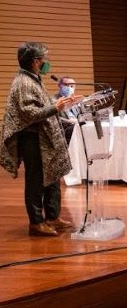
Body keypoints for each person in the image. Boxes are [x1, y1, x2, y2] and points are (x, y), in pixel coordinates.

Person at [1, 42, 80, 237]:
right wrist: (55, 107)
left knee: (52, 176)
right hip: (32, 139)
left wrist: (58, 102)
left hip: (44, 137)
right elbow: (29, 112)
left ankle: (53, 216)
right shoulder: (23, 82)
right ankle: (36, 222)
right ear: (36, 62)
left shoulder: (33, 78)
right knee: (36, 180)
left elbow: (40, 104)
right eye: (43, 59)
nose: (46, 62)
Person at [55, 76, 79, 145]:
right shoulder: (53, 100)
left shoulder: (77, 101)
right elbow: (55, 119)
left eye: (72, 86)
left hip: (78, 129)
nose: (69, 88)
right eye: (66, 85)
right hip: (65, 132)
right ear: (59, 86)